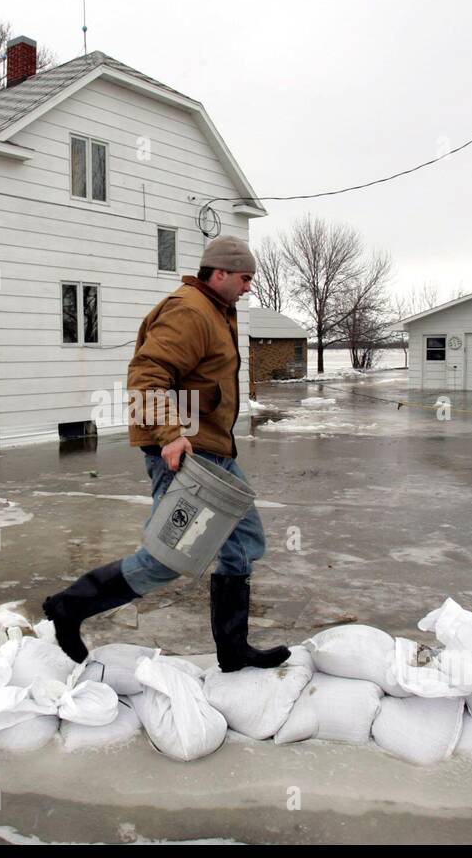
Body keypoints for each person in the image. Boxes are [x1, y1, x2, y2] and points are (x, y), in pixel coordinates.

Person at [42, 236, 291, 673]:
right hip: (183, 452)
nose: (249, 288)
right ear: (219, 274)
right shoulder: (190, 310)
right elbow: (147, 372)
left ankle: (233, 649)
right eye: (244, 278)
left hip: (212, 452)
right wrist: (171, 433)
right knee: (167, 557)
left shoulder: (216, 311)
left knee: (244, 543)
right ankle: (69, 607)